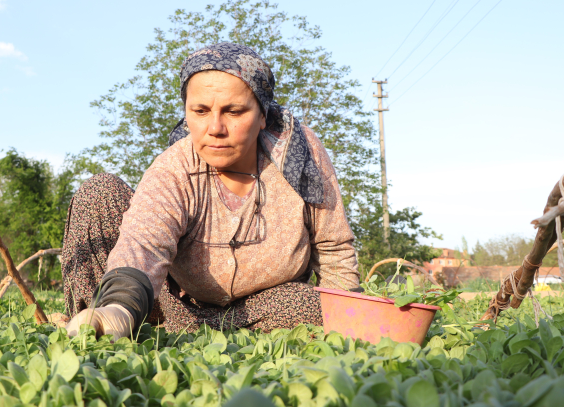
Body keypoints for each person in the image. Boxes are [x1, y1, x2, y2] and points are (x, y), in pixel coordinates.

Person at [63, 42, 360, 339]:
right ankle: (98, 323)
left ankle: (194, 332)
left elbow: (333, 247)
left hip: (268, 307)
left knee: (314, 307)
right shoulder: (175, 167)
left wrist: (350, 323)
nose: (215, 128)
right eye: (201, 111)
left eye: (234, 111)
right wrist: (118, 308)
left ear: (262, 117)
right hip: (174, 304)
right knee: (99, 192)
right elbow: (144, 243)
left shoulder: (300, 155)